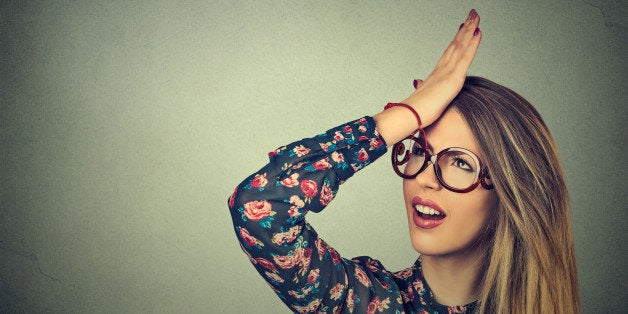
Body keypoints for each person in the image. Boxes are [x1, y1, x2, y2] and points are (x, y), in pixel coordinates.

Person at [227, 9, 579, 313]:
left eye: (460, 163)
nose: (426, 177)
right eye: (420, 151)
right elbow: (258, 207)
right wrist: (408, 114)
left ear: (511, 194)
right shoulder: (366, 303)